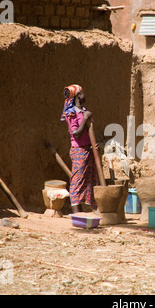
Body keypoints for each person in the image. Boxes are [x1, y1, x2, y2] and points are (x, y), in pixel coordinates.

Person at [61, 84, 98, 213]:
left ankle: (88, 209)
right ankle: (77, 213)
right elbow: (76, 133)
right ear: (77, 96)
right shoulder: (70, 113)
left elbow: (88, 130)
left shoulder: (84, 110)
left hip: (88, 149)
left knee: (89, 180)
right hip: (79, 150)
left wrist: (93, 144)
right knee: (77, 181)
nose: (85, 95)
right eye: (82, 93)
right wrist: (85, 118)